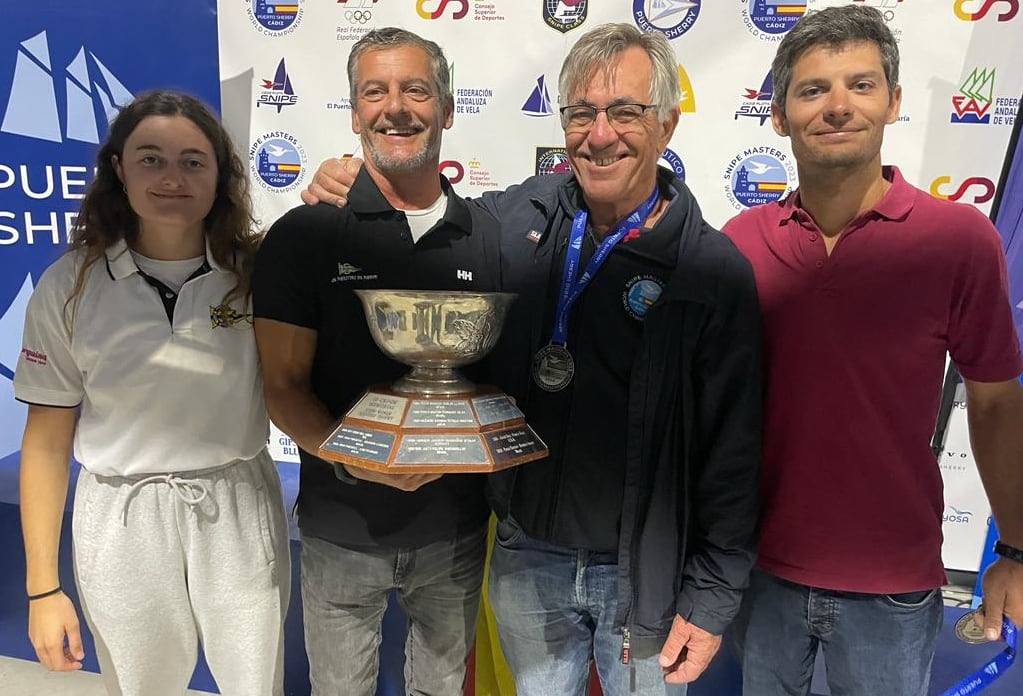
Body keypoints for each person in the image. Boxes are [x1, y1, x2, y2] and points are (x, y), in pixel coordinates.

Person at [302, 23, 763, 695]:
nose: (599, 133)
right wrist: (353, 185)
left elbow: (733, 448)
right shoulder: (517, 216)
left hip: (645, 576)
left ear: (666, 124)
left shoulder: (711, 271)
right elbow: (421, 228)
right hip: (527, 559)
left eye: (625, 112)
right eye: (581, 113)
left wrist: (713, 595)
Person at [721, 6, 1023, 695]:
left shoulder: (957, 240)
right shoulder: (739, 241)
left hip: (892, 582)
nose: (836, 106)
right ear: (777, 115)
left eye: (859, 85)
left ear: (892, 101)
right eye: (811, 89)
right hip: (759, 569)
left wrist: (1014, 548)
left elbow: (997, 402)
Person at [251, 28, 501, 696]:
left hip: (455, 530)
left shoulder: (490, 232)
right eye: (375, 92)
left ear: (446, 108)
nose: (395, 107)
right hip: (340, 529)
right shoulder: (305, 234)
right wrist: (352, 454)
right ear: (355, 112)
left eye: (415, 90)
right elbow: (281, 385)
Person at [15, 90, 289, 696]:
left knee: (254, 685)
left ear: (221, 174)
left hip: (235, 503)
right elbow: (45, 441)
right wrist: (43, 587)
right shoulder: (71, 285)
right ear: (118, 168)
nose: (173, 177)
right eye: (151, 159)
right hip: (122, 513)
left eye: (194, 160)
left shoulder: (256, 275)